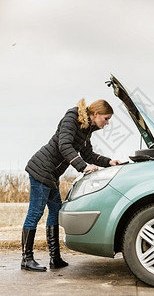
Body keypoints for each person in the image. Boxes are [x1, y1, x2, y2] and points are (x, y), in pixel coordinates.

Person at [21, 98, 121, 272]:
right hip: (41, 169)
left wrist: (110, 162)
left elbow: (88, 155)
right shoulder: (72, 117)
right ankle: (26, 259)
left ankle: (55, 257)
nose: (107, 123)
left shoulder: (87, 129)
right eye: (106, 119)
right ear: (96, 114)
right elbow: (64, 145)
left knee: (55, 212)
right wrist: (82, 167)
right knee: (35, 213)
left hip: (52, 174)